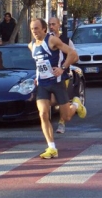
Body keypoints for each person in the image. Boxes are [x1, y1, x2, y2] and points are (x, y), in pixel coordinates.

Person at [29, 18, 86, 159]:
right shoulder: (31, 45)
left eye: (37, 28)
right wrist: (38, 76)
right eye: (32, 29)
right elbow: (39, 63)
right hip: (43, 84)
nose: (34, 32)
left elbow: (73, 54)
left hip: (57, 82)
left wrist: (62, 68)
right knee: (43, 114)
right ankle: (51, 147)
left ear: (44, 29)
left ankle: (75, 105)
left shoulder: (52, 41)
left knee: (66, 116)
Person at [48, 17, 78, 134]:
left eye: (53, 24)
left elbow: (75, 57)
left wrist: (64, 67)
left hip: (63, 75)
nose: (51, 27)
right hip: (49, 76)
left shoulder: (66, 40)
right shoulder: (47, 40)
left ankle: (61, 124)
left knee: (60, 101)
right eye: (49, 24)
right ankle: (75, 104)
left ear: (59, 25)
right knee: (51, 100)